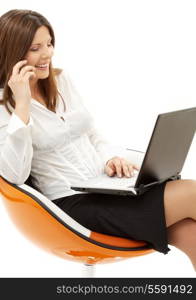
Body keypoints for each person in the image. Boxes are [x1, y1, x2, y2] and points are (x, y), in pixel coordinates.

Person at [0, 9, 196, 271]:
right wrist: (22, 105)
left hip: (104, 186)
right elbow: (13, 175)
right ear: (14, 52)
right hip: (69, 208)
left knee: (190, 235)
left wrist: (110, 158)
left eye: (49, 44)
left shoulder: (60, 80)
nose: (47, 54)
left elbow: (91, 134)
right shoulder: (5, 106)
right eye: (36, 48)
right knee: (192, 192)